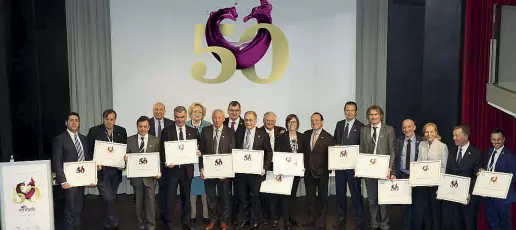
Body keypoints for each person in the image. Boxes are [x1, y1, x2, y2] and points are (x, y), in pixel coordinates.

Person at [160, 106, 199, 230]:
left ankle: (185, 221)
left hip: (186, 170)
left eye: (182, 117)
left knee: (186, 198)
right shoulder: (167, 131)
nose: (180, 120)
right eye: (177, 117)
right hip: (172, 170)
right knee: (170, 198)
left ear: (186, 117)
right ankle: (169, 222)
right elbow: (162, 151)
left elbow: (196, 148)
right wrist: (166, 161)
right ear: (174, 116)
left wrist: (197, 152)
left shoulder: (192, 131)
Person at [52, 112, 94, 230]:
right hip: (69, 181)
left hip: (82, 179)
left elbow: (87, 158)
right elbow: (57, 161)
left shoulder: (83, 139)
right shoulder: (59, 139)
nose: (74, 122)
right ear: (66, 123)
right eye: (71, 120)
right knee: (70, 208)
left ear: (79, 123)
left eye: (76, 120)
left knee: (79, 207)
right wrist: (63, 180)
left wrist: (93, 174)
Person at [87, 109, 127, 230]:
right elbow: (88, 151)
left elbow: (124, 149)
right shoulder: (94, 131)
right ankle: (114, 222)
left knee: (110, 199)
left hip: (115, 171)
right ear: (103, 119)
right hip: (101, 172)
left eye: (112, 119)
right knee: (108, 198)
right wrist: (94, 164)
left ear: (115, 120)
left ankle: (107, 222)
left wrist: (124, 159)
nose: (109, 122)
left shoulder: (121, 131)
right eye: (107, 119)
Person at [234, 111, 273, 230]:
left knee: (255, 198)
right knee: (243, 197)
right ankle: (244, 219)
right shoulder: (239, 132)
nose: (248, 122)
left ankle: (255, 221)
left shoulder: (263, 134)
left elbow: (269, 153)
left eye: (250, 120)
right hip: (241, 172)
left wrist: (264, 168)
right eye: (246, 120)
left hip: (256, 173)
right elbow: (235, 150)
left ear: (255, 121)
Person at [359, 105, 395, 230]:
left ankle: (384, 223)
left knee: (384, 199)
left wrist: (390, 168)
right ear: (368, 117)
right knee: (372, 199)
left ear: (381, 115)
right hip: (369, 170)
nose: (373, 117)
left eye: (376, 114)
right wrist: (361, 168)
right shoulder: (364, 130)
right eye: (371, 114)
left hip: (384, 169)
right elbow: (362, 150)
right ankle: (374, 222)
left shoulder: (389, 129)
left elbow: (392, 151)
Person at [199, 109, 235, 230]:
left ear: (224, 118)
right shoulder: (205, 131)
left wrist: (228, 171)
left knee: (224, 197)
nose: (217, 120)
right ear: (212, 118)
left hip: (224, 172)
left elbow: (232, 153)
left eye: (219, 118)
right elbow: (202, 151)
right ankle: (213, 219)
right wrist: (201, 168)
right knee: (211, 196)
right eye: (214, 118)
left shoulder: (230, 132)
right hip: (209, 170)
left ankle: (223, 221)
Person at [442, 125, 483, 230]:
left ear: (465, 136)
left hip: (469, 198)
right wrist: (443, 189)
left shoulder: (476, 153)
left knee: (470, 225)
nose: (453, 138)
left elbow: (477, 177)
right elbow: (448, 173)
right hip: (454, 197)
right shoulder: (452, 151)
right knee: (456, 225)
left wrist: (469, 192)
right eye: (453, 135)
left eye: (456, 135)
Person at [332, 101, 365, 229]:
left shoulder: (361, 127)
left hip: (353, 167)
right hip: (340, 167)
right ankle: (341, 218)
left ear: (356, 112)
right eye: (347, 110)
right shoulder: (339, 124)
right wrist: (335, 146)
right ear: (344, 111)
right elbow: (336, 140)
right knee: (340, 193)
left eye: (352, 110)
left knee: (355, 194)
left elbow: (362, 147)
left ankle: (359, 220)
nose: (349, 112)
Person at [125, 116, 161, 230]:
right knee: (139, 204)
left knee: (151, 203)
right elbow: (125, 157)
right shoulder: (129, 140)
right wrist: (125, 159)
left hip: (150, 178)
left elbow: (158, 158)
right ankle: (141, 224)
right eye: (140, 126)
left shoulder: (155, 140)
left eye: (145, 126)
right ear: (137, 126)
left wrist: (158, 171)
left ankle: (151, 225)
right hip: (136, 178)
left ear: (149, 127)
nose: (143, 129)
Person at [303, 112, 335, 229]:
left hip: (322, 173)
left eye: (317, 120)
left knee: (323, 197)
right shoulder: (306, 135)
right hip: (308, 172)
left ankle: (322, 218)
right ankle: (311, 217)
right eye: (312, 120)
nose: (314, 122)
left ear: (322, 122)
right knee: (310, 196)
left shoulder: (329, 137)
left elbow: (332, 156)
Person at [479, 129, 516, 230]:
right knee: (493, 223)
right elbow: (490, 169)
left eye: (499, 139)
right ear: (490, 139)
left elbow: (513, 178)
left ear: (504, 139)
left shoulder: (510, 156)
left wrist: (499, 178)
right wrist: (484, 171)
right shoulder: (489, 151)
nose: (496, 142)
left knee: (505, 225)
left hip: (503, 196)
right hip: (488, 195)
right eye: (493, 139)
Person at [392, 119, 425, 230]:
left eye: (409, 127)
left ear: (414, 127)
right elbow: (394, 159)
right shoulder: (398, 140)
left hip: (417, 178)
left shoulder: (422, 140)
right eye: (404, 127)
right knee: (405, 208)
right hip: (403, 176)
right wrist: (393, 173)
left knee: (418, 208)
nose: (406, 129)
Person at [273, 114, 304, 229]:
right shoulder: (281, 137)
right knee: (285, 196)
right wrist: (280, 170)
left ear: (297, 123)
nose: (292, 124)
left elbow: (304, 153)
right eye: (290, 122)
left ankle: (292, 217)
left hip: (296, 171)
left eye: (294, 122)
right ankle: (286, 219)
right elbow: (277, 153)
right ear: (287, 123)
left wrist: (303, 166)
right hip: (285, 172)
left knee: (293, 195)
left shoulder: (302, 136)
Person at [417, 122, 448, 230]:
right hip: (424, 184)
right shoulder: (421, 144)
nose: (429, 134)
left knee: (436, 211)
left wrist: (440, 184)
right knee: (426, 211)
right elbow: (418, 163)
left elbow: (444, 166)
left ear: (436, 132)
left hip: (436, 184)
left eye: (431, 132)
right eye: (427, 132)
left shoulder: (443, 146)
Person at [258, 111, 286, 227]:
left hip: (278, 166)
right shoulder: (258, 131)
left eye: (272, 121)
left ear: (275, 121)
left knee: (276, 193)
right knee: (264, 193)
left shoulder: (281, 131)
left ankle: (275, 217)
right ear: (264, 121)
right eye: (267, 120)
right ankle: (264, 217)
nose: (270, 122)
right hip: (264, 166)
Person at [186, 102, 211, 224]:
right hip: (190, 162)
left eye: (200, 112)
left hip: (204, 161)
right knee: (191, 188)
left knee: (205, 188)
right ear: (190, 113)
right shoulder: (185, 125)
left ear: (203, 114)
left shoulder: (208, 125)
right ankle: (193, 214)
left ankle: (206, 215)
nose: (197, 114)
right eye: (195, 111)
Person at [222, 101, 245, 225]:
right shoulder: (222, 122)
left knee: (238, 193)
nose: (234, 112)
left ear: (240, 111)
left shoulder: (245, 123)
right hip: (225, 164)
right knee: (225, 193)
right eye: (231, 110)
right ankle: (224, 217)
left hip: (240, 165)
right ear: (228, 110)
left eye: (236, 110)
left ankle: (235, 217)